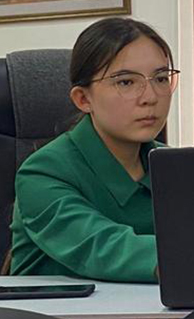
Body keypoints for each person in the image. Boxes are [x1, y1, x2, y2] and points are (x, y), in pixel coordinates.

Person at [10, 18, 179, 282]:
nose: (151, 97)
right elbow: (102, 248)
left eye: (160, 78)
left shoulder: (174, 165)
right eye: (126, 82)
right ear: (83, 99)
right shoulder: (41, 173)